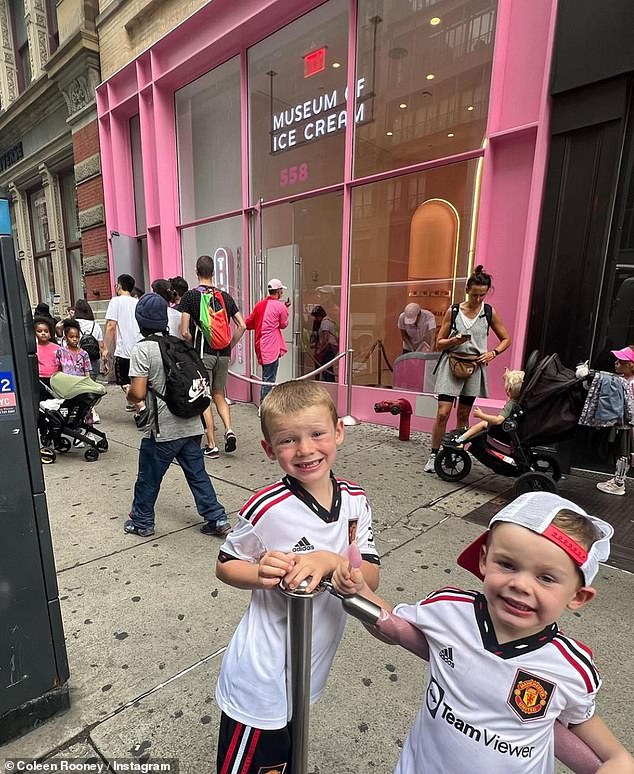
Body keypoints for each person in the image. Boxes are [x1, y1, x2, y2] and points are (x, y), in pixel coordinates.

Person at [333, 492, 634, 774]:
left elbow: (611, 752)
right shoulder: (448, 609)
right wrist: (360, 591)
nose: (521, 585)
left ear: (577, 597)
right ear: (483, 560)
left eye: (546, 578)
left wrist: (618, 761)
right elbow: (391, 628)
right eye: (507, 564)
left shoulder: (571, 669)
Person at [214, 380, 380, 773]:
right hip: (261, 678)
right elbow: (225, 564)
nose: (305, 449)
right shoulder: (265, 507)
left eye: (317, 433)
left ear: (338, 431)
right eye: (288, 441)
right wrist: (260, 573)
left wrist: (337, 567)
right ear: (270, 450)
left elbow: (369, 571)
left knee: (287, 760)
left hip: (307, 667)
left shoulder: (355, 502)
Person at [123, 293, 230, 538]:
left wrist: (128, 394)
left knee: (148, 477)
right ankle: (216, 517)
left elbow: (138, 394)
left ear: (140, 321)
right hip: (192, 424)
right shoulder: (180, 344)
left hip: (163, 430)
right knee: (198, 475)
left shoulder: (143, 350)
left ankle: (141, 521)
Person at [425, 265, 511, 473]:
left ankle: (454, 452)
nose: (479, 299)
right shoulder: (454, 311)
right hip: (452, 363)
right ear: (467, 290)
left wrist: (493, 353)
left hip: (475, 366)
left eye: (482, 295)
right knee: (443, 412)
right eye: (475, 294)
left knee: (464, 414)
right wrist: (455, 339)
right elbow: (439, 343)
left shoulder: (489, 312)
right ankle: (434, 454)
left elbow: (506, 339)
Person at [180, 255, 246, 458]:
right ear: (213, 272)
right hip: (224, 354)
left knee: (204, 396)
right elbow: (242, 325)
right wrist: (229, 345)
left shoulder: (190, 297)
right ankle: (229, 430)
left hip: (203, 353)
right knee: (219, 393)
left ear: (196, 272)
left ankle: (211, 444)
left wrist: (190, 345)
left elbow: (184, 331)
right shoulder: (225, 296)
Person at [447, 369, 524, 446]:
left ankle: (459, 440)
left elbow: (498, 420)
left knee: (483, 424)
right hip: (510, 429)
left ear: (508, 389)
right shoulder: (521, 401)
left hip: (501, 430)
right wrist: (506, 376)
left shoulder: (511, 405)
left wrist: (480, 415)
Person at [596, 345, 634, 496]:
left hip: (628, 424)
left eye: (621, 361)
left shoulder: (631, 383)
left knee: (624, 453)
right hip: (624, 423)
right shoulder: (625, 380)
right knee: (621, 452)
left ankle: (619, 482)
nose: (616, 363)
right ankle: (618, 479)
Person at [245, 278, 290, 403]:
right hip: (271, 347)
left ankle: (264, 404)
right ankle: (264, 406)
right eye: (281, 290)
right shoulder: (280, 307)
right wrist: (286, 309)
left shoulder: (259, 305)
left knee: (266, 376)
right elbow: (283, 324)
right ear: (279, 291)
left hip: (260, 345)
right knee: (269, 379)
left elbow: (249, 323)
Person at [103, 274, 141, 412]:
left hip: (124, 349)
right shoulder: (137, 302)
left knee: (124, 381)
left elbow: (111, 326)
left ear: (119, 285)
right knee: (138, 379)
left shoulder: (116, 301)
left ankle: (141, 407)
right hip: (139, 348)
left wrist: (106, 348)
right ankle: (136, 404)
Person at [35, 316, 60, 400]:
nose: (43, 333)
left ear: (50, 333)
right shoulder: (34, 348)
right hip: (40, 380)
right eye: (39, 331)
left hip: (55, 379)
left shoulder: (57, 348)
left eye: (46, 331)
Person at [315, 304, 339, 382]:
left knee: (326, 368)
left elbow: (326, 338)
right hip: (333, 347)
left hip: (328, 348)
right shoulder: (331, 321)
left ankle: (329, 383)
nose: (315, 319)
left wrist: (320, 349)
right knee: (329, 367)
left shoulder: (325, 323)